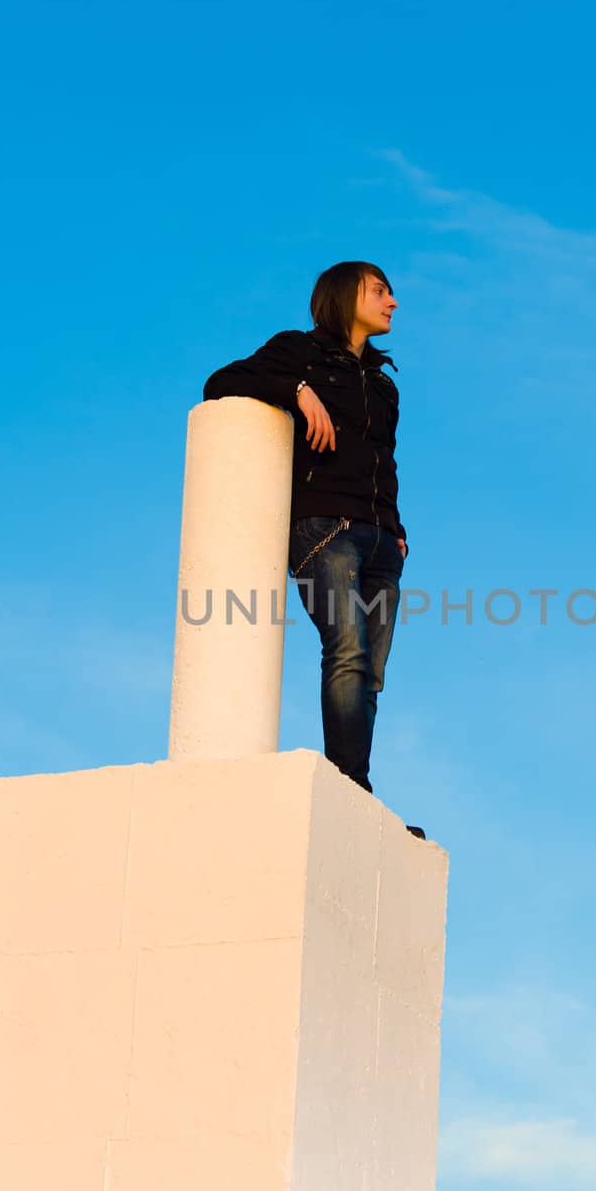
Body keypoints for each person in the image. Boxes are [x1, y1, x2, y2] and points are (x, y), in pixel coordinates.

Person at [202, 261, 424, 835]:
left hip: (381, 542)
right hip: (324, 529)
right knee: (346, 649)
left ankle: (354, 783)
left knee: (370, 672)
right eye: (381, 291)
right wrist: (298, 391)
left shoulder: (383, 384)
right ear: (346, 295)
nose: (393, 302)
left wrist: (396, 530)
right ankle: (350, 787)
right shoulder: (298, 351)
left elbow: (385, 461)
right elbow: (221, 382)